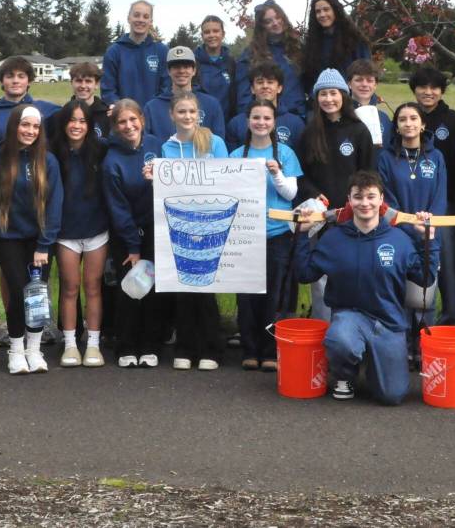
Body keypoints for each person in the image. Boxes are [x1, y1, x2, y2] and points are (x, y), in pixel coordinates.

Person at [295, 170, 438, 404]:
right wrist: (301, 236)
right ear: (349, 200)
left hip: (389, 322)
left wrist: (428, 240)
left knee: (392, 396)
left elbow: (425, 279)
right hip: (349, 317)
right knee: (340, 339)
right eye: (358, 197)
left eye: (371, 196)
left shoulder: (399, 239)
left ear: (381, 200)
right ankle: (345, 375)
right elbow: (304, 274)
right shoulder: (333, 239)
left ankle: (376, 366)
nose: (365, 203)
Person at [297, 68, 377, 320]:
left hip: (351, 215)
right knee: (320, 280)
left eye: (333, 93)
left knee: (353, 275)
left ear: (344, 95)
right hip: (319, 217)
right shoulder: (310, 132)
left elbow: (369, 174)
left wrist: (357, 204)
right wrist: (314, 194)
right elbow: (301, 174)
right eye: (323, 94)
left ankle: (352, 329)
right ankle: (323, 330)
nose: (328, 99)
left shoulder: (358, 131)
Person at [156, 92, 228, 370]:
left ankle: (211, 349)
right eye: (182, 112)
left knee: (206, 290)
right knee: (183, 289)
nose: (187, 116)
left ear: (199, 114)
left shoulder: (214, 142)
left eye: (192, 112)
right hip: (181, 225)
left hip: (211, 223)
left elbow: (228, 181)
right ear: (172, 115)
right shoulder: (167, 148)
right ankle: (185, 347)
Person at [230, 100, 303, 371]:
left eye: (267, 118)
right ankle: (250, 350)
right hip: (245, 233)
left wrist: (277, 174)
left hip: (277, 233)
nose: (261, 123)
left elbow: (291, 194)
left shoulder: (285, 154)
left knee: (275, 295)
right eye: (256, 117)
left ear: (274, 123)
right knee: (247, 295)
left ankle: (271, 350)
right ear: (248, 121)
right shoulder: (237, 155)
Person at [0, 105, 64, 374]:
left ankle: (34, 350)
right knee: (16, 292)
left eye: (36, 127)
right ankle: (16, 350)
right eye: (25, 125)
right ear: (14, 126)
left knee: (35, 296)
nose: (30, 131)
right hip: (9, 237)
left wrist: (44, 245)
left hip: (40, 243)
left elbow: (55, 204)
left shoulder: (48, 161)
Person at [376, 102, 447, 356]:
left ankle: (424, 349)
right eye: (403, 119)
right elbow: (385, 200)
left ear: (423, 124)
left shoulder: (436, 157)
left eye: (414, 118)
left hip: (428, 235)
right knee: (399, 294)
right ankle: (401, 348)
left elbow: (440, 197)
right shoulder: (385, 157)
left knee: (425, 297)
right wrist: (407, 224)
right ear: (396, 126)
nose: (409, 123)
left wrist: (428, 226)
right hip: (397, 235)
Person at [102, 100, 163, 367]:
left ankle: (150, 344)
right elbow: (118, 208)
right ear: (115, 127)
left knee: (152, 288)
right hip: (126, 235)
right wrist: (132, 246)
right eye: (122, 122)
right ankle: (126, 345)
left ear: (141, 119)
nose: (128, 126)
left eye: (132, 120)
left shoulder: (157, 146)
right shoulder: (110, 161)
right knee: (129, 287)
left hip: (154, 228)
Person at [49, 100, 109, 368]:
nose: (77, 125)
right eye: (72, 120)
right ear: (64, 124)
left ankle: (94, 345)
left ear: (89, 125)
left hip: (96, 229)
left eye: (82, 121)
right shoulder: (53, 154)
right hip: (65, 232)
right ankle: (71, 344)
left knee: (93, 286)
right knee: (70, 287)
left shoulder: (101, 150)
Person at [409, 66, 455, 325]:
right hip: (413, 207)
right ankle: (416, 321)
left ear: (442, 91)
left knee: (446, 263)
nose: (428, 92)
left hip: (447, 205)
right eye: (422, 87)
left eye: (434, 87)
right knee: (416, 264)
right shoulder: (408, 118)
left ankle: (450, 318)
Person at [234, 0, 306, 117]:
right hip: (264, 118)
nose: (275, 23)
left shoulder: (297, 48)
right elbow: (244, 94)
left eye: (278, 18)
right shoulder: (251, 54)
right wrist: (248, 117)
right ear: (262, 26)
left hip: (296, 115)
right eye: (268, 21)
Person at [143, 46, 226, 144]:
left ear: (194, 70)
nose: (181, 71)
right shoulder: (152, 108)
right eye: (176, 67)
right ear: (169, 71)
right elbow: (147, 145)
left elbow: (219, 143)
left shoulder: (211, 104)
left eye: (186, 66)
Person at [101, 0, 169, 109]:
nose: (140, 20)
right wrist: (122, 111)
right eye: (136, 15)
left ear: (151, 21)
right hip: (125, 119)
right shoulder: (114, 52)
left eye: (145, 16)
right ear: (129, 18)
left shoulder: (162, 51)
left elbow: (167, 87)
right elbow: (108, 90)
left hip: (153, 116)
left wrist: (155, 110)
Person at [224, 61, 304, 152]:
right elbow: (231, 162)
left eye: (270, 82)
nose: (265, 86)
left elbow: (299, 162)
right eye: (260, 82)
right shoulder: (236, 124)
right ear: (252, 89)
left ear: (279, 88)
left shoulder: (296, 123)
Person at [301, 0, 371, 95]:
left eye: (326, 9)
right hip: (321, 102)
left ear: (335, 10)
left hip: (350, 101)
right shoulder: (312, 44)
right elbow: (308, 77)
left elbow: (366, 74)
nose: (322, 14)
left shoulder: (355, 40)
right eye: (318, 11)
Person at [0, 56, 60, 145]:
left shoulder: (49, 110)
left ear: (29, 81)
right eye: (10, 76)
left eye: (21, 76)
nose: (15, 81)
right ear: (1, 81)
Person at [194, 15, 237, 118]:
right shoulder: (194, 62)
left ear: (223, 34)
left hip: (226, 123)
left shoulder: (231, 63)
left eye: (216, 31)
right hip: (200, 122)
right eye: (207, 32)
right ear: (202, 35)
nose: (211, 35)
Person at [346, 58, 392, 149]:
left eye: (370, 80)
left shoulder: (384, 119)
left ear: (375, 85)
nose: (364, 84)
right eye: (359, 80)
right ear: (349, 84)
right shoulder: (341, 115)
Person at [61, 61, 111, 140]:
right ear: (71, 83)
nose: (83, 86)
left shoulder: (108, 115)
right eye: (78, 81)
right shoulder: (63, 113)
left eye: (88, 81)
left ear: (96, 85)